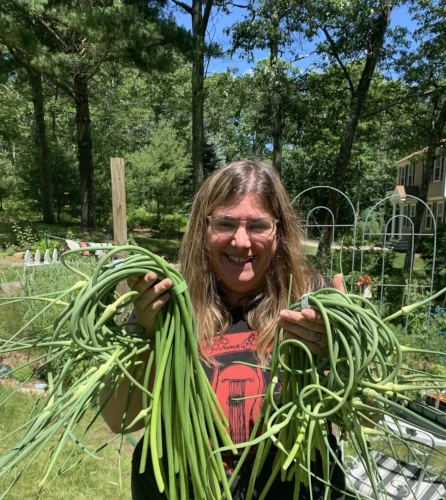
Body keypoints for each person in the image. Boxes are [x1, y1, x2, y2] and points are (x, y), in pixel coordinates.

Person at [100, 161, 346, 499]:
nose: (241, 241)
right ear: (203, 229)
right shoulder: (166, 300)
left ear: (280, 232)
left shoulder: (310, 299)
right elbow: (121, 420)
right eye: (225, 223)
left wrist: (343, 350)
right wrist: (149, 335)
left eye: (258, 225)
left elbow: (368, 417)